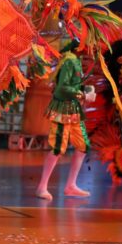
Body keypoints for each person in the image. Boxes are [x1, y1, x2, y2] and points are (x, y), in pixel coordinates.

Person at [36, 39, 92, 200]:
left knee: (83, 145)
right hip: (63, 110)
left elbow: (74, 84)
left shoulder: (77, 61)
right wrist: (82, 94)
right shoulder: (69, 61)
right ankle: (42, 186)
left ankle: (71, 185)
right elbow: (61, 89)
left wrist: (85, 90)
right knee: (58, 147)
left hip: (74, 110)